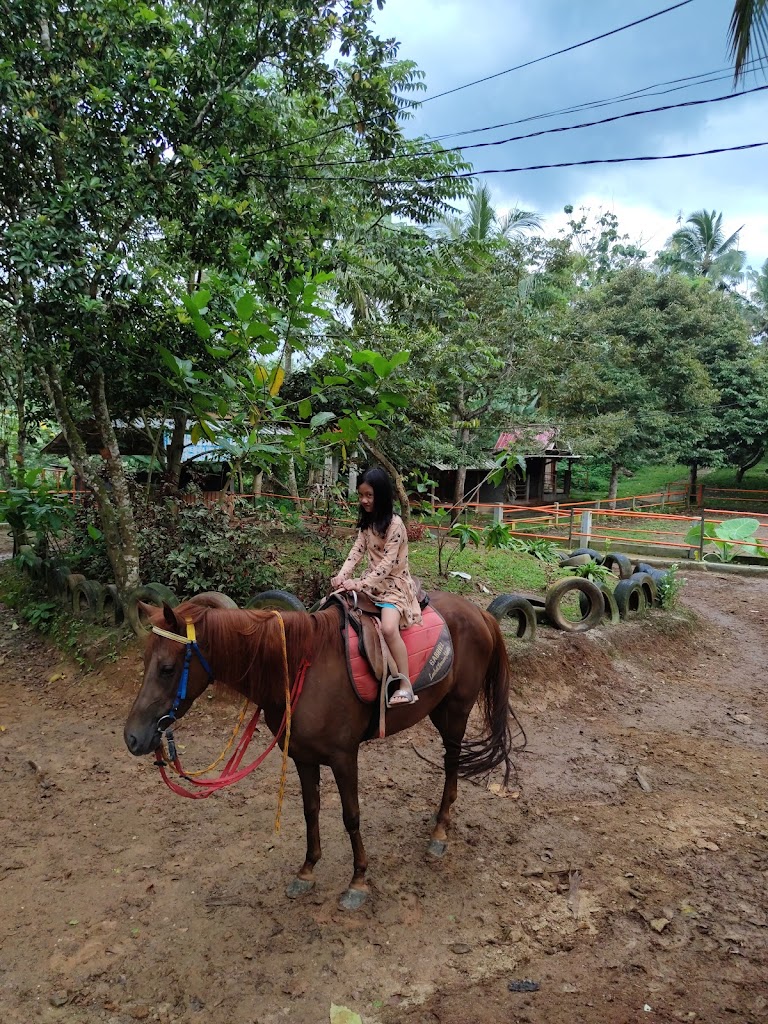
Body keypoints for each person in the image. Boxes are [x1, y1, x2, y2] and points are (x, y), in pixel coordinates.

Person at [330, 467, 422, 705]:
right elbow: (357, 550)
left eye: (369, 495)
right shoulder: (368, 522)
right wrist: (341, 576)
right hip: (371, 584)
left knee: (389, 628)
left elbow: (387, 565)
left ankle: (406, 685)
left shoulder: (396, 525)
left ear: (380, 494)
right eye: (361, 495)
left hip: (393, 586)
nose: (364, 500)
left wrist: (359, 583)